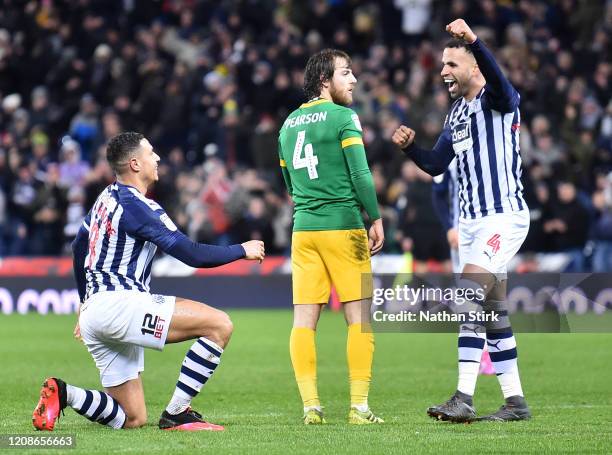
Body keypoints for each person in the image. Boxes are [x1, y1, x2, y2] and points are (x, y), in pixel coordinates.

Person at [32, 132, 265, 432]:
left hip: (95, 313)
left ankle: (64, 393)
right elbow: (190, 254)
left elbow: (79, 246)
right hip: (122, 304)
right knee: (219, 325)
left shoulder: (105, 198)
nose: (157, 158)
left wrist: (83, 301)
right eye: (151, 153)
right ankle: (177, 413)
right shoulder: (140, 208)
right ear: (135, 164)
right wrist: (240, 250)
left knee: (132, 418)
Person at [392, 19, 531, 422]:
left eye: (452, 63)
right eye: (442, 65)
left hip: (501, 219)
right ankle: (515, 402)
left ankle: (463, 397)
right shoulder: (457, 114)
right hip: (470, 224)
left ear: (474, 67)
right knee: (492, 311)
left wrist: (474, 40)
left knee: (468, 295)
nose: (443, 72)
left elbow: (503, 86)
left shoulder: (497, 100)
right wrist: (411, 149)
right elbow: (437, 164)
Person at [278, 49, 385, 425]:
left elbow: (290, 182)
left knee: (303, 322)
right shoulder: (344, 117)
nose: (353, 79)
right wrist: (375, 216)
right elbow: (361, 175)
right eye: (346, 72)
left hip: (304, 230)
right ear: (325, 80)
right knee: (359, 320)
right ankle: (359, 407)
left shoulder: (288, 124)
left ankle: (311, 407)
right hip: (344, 226)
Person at [432, 160, 495, 376]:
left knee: (489, 292)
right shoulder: (447, 155)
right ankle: (480, 354)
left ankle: (489, 352)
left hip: (491, 229)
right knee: (470, 296)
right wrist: (449, 228)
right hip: (462, 235)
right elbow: (438, 194)